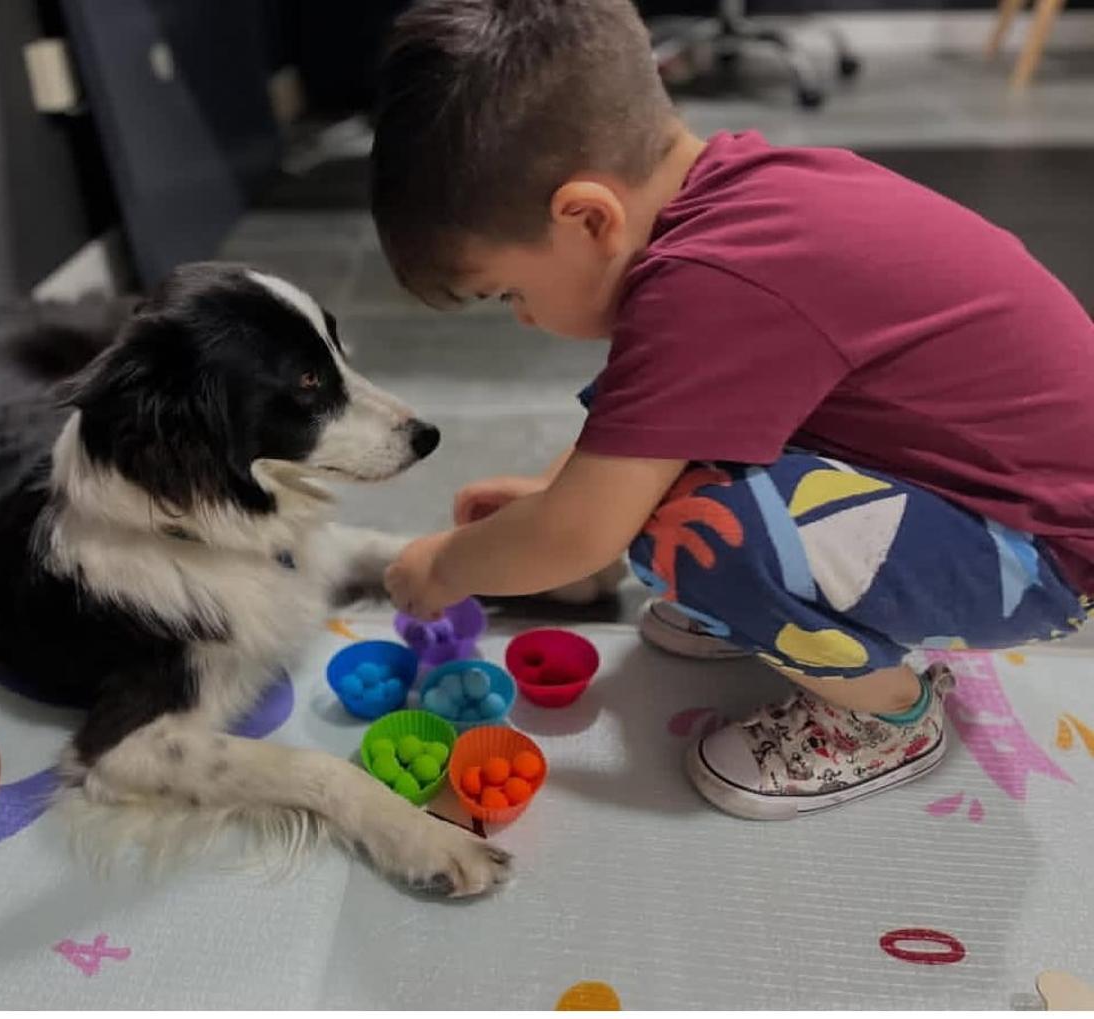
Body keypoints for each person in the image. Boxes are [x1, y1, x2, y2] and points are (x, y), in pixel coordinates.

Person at [370, 0, 1094, 819]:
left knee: (687, 524)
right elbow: (652, 419)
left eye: (508, 292)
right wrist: (551, 502)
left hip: (1045, 557)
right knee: (658, 489)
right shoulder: (738, 201)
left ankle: (885, 715)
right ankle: (790, 614)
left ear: (586, 218)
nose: (523, 315)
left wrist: (447, 566)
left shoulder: (712, 283)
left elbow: (588, 526)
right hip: (1009, 498)